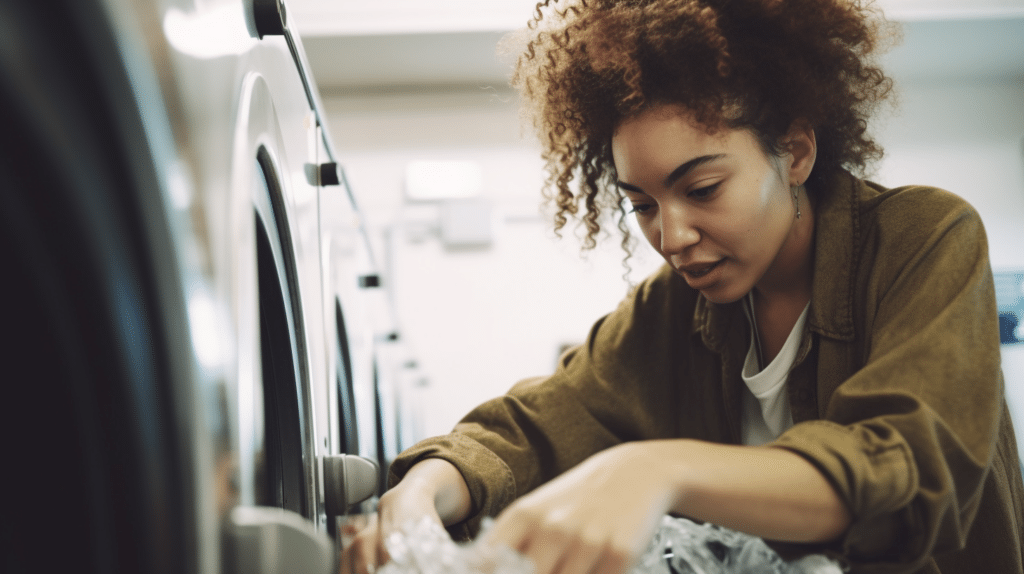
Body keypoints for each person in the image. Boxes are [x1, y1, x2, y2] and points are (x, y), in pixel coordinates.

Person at [342, 1, 1024, 573]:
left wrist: (654, 469)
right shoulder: (671, 311)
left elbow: (903, 470)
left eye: (702, 189)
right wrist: (418, 497)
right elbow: (531, 428)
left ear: (796, 151)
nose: (670, 237)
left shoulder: (923, 237)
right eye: (641, 204)